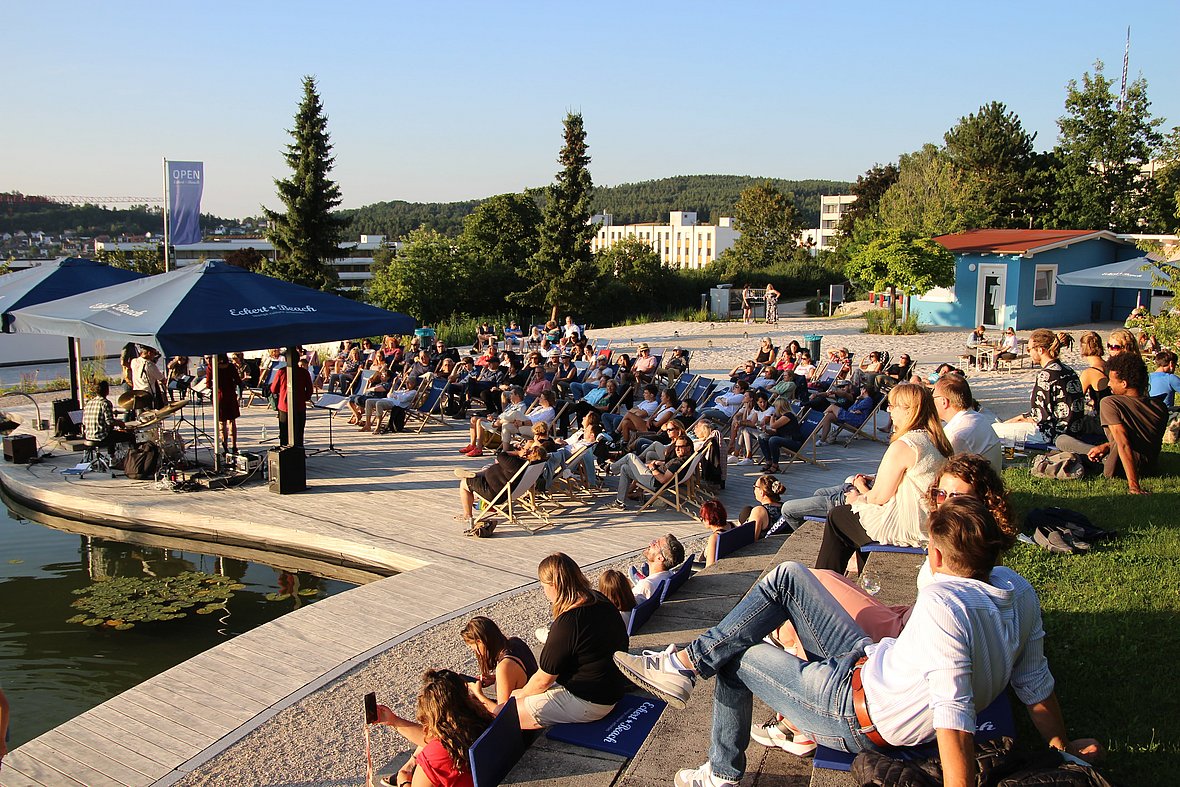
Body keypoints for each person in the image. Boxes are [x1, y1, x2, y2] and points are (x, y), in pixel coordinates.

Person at [612, 496, 1103, 787]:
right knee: (788, 574)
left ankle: (720, 766)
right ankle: (685, 663)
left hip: (853, 712)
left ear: (935, 553)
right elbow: (1034, 680)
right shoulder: (1016, 589)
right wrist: (1061, 745)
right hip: (865, 664)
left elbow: (955, 718)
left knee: (737, 654)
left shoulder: (946, 607)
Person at [815, 383, 952, 572]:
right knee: (856, 518)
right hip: (927, 517)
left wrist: (858, 496)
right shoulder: (936, 440)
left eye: (893, 406)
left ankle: (824, 581)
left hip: (909, 524)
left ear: (909, 410)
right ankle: (856, 574)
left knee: (838, 518)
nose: (890, 411)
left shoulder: (906, 444)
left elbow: (879, 497)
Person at [512, 553, 630, 729]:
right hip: (611, 687)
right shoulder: (598, 598)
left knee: (506, 713)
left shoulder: (568, 623)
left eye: (543, 586)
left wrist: (519, 694)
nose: (544, 592)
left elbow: (543, 680)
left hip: (591, 701)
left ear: (555, 586)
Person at [371, 669, 492, 787]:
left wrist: (404, 781)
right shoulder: (479, 720)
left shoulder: (435, 757)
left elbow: (437, 747)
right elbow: (435, 739)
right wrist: (394, 721)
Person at [1079, 353, 1167, 495]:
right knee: (1096, 447)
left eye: (1111, 381)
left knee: (1062, 441)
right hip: (1150, 466)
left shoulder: (1111, 403)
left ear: (1124, 383)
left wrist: (1134, 486)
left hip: (1119, 467)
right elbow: (1139, 438)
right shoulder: (1159, 407)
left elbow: (1124, 443)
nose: (1108, 384)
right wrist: (1107, 446)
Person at [1006, 329, 1086, 446]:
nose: (1029, 353)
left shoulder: (1046, 376)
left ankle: (1013, 459)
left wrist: (1010, 422)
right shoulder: (1068, 370)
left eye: (1029, 349)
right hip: (1074, 431)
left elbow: (1040, 418)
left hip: (1055, 436)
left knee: (1000, 431)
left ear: (1040, 350)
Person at [454, 442, 547, 528]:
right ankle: (476, 474)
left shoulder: (517, 464)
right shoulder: (532, 468)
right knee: (487, 470)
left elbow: (501, 455)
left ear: (531, 455)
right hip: (504, 490)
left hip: (494, 493)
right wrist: (533, 504)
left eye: (530, 450)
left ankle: (467, 515)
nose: (527, 450)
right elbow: (531, 486)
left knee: (464, 484)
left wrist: (517, 453)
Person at [460, 616, 538, 714]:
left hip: (527, 716)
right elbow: (521, 675)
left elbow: (502, 715)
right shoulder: (515, 642)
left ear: (481, 641)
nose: (478, 653)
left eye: (476, 649)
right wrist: (496, 679)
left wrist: (478, 694)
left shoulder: (504, 667)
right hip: (535, 701)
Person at [608, 435, 695, 511]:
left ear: (688, 448)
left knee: (630, 457)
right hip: (653, 476)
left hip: (653, 481)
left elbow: (663, 479)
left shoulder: (678, 462)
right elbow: (669, 469)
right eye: (676, 446)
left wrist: (652, 468)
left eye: (681, 447)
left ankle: (610, 469)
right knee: (625, 468)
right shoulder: (687, 459)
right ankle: (619, 502)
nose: (677, 449)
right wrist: (660, 464)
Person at [933, 375, 1001, 467]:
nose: (932, 401)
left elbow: (945, 471)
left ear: (944, 402)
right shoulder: (979, 418)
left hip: (978, 480)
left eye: (933, 397)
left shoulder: (957, 435)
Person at [629, 533, 686, 603]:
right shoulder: (670, 575)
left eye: (655, 544)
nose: (650, 543)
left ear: (660, 558)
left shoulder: (645, 585)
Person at [270, 357, 314, 447]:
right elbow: (310, 390)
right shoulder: (304, 372)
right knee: (299, 432)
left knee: (284, 432)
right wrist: (303, 398)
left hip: (284, 406)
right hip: (299, 406)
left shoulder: (281, 371)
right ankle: (299, 453)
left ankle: (284, 453)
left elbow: (273, 389)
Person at [82, 380, 133, 452]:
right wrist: (121, 423)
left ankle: (112, 457)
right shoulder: (105, 403)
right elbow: (110, 422)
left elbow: (84, 421)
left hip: (88, 435)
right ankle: (133, 458)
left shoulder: (89, 403)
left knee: (111, 432)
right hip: (101, 436)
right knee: (131, 436)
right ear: (107, 391)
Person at [208, 354, 242, 454]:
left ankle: (225, 446)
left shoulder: (212, 367)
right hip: (230, 396)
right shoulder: (231, 366)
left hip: (219, 396)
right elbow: (238, 381)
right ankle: (234, 446)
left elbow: (208, 384)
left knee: (221, 422)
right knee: (232, 421)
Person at [747, 475, 785, 539]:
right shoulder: (785, 508)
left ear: (762, 492)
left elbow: (750, 539)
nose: (754, 490)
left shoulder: (759, 511)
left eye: (755, 486)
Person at [130, 346, 166, 412]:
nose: (154, 356)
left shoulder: (134, 361)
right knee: (150, 416)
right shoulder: (150, 365)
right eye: (154, 353)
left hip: (136, 393)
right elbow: (162, 378)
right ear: (149, 353)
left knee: (140, 416)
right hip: (147, 394)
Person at [701, 499, 733, 568]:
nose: (702, 521)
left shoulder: (715, 538)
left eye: (703, 518)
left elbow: (709, 567)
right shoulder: (731, 526)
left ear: (709, 519)